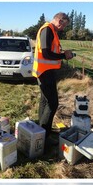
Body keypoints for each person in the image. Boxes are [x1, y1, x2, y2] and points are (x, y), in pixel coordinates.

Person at [32, 12, 74, 144]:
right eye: (64, 25)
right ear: (60, 21)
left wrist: (62, 54)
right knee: (52, 103)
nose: (63, 28)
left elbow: (51, 51)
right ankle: (44, 136)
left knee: (45, 101)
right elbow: (46, 53)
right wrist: (63, 56)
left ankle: (41, 131)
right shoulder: (47, 30)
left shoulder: (51, 31)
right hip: (45, 72)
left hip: (45, 71)